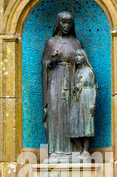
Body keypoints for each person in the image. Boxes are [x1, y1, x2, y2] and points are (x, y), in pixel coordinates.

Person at [42, 12, 83, 158]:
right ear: (58, 24)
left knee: (72, 113)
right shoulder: (51, 43)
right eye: (63, 23)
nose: (66, 26)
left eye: (69, 23)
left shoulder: (76, 43)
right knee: (56, 112)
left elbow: (82, 63)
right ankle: (56, 150)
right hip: (55, 79)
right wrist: (51, 61)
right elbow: (44, 64)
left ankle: (74, 150)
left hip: (72, 79)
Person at [69, 49, 97, 157]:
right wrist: (74, 88)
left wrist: (93, 103)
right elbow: (73, 87)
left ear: (84, 57)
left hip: (87, 98)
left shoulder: (89, 71)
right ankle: (80, 149)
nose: (77, 58)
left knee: (86, 124)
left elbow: (94, 87)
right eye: (76, 56)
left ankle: (85, 150)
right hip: (76, 100)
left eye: (80, 55)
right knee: (73, 124)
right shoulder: (76, 72)